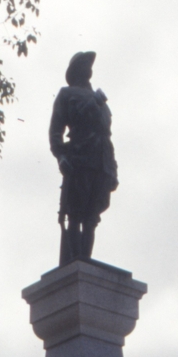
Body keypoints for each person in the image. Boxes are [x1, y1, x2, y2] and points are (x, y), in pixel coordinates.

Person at [49, 51, 119, 266]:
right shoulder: (66, 94)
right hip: (80, 156)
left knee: (92, 217)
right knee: (76, 215)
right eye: (85, 65)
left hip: (102, 158)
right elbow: (55, 132)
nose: (89, 69)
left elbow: (105, 127)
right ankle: (75, 263)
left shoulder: (99, 99)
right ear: (77, 70)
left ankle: (86, 262)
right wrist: (61, 157)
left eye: (89, 65)